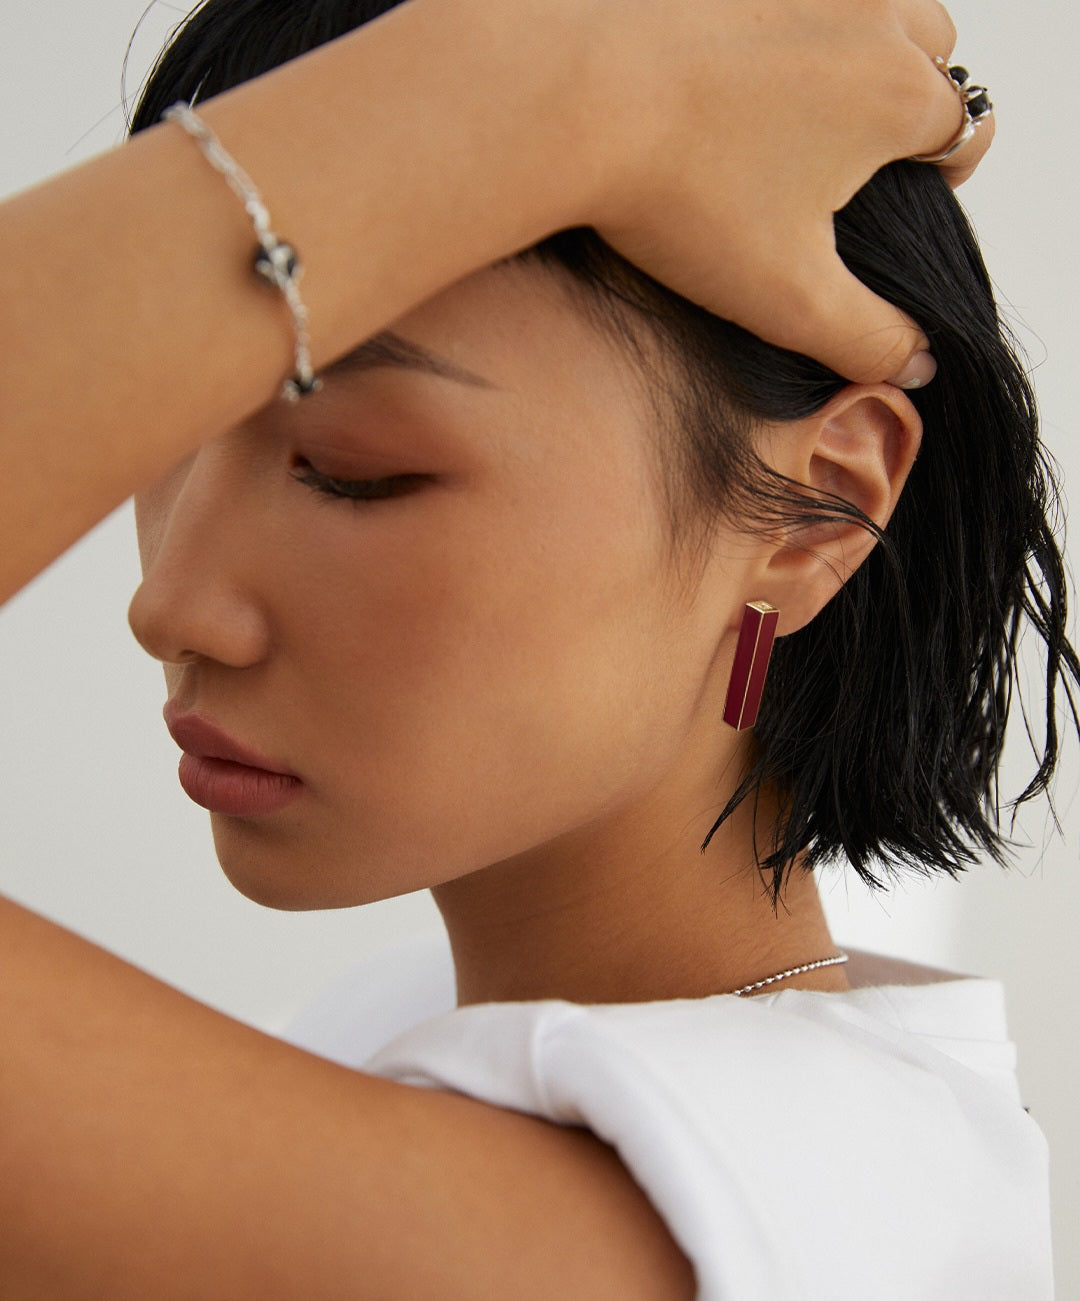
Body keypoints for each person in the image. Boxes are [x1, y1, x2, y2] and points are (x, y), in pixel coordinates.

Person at [0, 0, 1068, 1296]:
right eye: (158, 427)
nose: (172, 602)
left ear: (817, 510)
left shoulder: (741, 1208)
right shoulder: (406, 1035)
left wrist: (543, 87)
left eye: (355, 470)